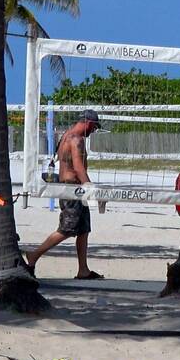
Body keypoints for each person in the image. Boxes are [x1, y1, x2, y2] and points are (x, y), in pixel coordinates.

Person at [25, 110, 109, 280]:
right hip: (73, 190)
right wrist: (92, 190)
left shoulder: (66, 135)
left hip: (72, 188)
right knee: (67, 229)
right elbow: (78, 168)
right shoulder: (77, 140)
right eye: (93, 127)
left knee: (84, 229)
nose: (93, 131)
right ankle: (34, 255)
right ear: (87, 122)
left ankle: (83, 270)